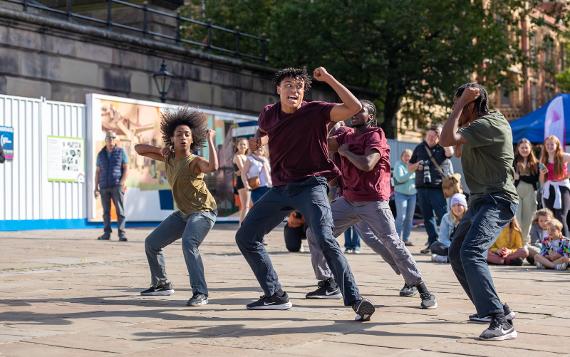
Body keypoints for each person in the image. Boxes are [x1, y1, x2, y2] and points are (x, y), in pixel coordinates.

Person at [235, 67, 376, 321]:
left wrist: (329, 78)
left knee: (324, 237)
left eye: (299, 86)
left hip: (311, 186)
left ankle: (355, 300)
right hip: (280, 189)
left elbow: (354, 107)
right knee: (246, 236)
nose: (294, 90)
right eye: (289, 85)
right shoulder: (268, 113)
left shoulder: (316, 111)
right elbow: (264, 130)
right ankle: (275, 294)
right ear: (278, 89)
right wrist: (259, 141)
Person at [306, 100, 437, 309]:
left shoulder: (376, 134)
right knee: (315, 232)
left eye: (361, 111)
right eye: (353, 110)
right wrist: (330, 120)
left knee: (391, 242)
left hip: (374, 201)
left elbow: (367, 164)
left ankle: (421, 287)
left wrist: (345, 152)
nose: (355, 113)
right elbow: (321, 141)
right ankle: (328, 283)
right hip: (348, 200)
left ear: (371, 117)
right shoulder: (344, 134)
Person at [440, 82, 519, 341]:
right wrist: (461, 107)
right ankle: (495, 308)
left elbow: (445, 140)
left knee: (471, 252)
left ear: (472, 105)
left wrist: (460, 103)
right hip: (480, 200)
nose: (456, 110)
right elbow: (456, 147)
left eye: (459, 104)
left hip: (497, 199)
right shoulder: (475, 128)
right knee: (456, 252)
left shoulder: (490, 124)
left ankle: (500, 320)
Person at [134, 108, 218, 306]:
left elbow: (213, 167)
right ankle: (162, 284)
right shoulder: (169, 157)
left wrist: (211, 140)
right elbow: (138, 148)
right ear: (171, 138)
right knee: (151, 243)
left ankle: (200, 293)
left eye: (187, 134)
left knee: (189, 243)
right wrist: (159, 151)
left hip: (204, 212)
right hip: (184, 214)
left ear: (192, 140)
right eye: (178, 134)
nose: (183, 137)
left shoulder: (195, 161)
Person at [409, 126, 453, 254]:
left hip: (438, 188)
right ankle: (433, 243)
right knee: (427, 217)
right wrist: (417, 165)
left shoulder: (442, 147)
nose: (430, 138)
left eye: (434, 136)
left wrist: (444, 138)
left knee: (443, 216)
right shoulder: (419, 148)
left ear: (438, 137)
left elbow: (450, 153)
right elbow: (409, 167)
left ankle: (447, 242)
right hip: (422, 188)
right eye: (428, 135)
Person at [94, 130, 129, 241]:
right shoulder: (100, 154)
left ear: (115, 140)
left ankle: (122, 233)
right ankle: (106, 233)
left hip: (116, 185)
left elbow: (126, 168)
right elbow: (98, 172)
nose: (111, 140)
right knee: (106, 212)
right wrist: (96, 187)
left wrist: (122, 182)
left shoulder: (121, 152)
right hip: (104, 186)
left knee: (120, 210)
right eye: (109, 138)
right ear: (105, 140)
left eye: (113, 138)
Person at [539, 135, 570, 236]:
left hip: (562, 188)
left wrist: (567, 175)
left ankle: (565, 245)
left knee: (561, 216)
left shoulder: (563, 156)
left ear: (557, 145)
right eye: (547, 144)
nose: (549, 146)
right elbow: (541, 180)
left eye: (552, 144)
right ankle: (552, 244)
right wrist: (542, 173)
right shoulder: (543, 160)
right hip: (549, 188)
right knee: (550, 218)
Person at [430, 193, 468, 263]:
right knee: (434, 246)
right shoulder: (446, 217)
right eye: (454, 205)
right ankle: (456, 258)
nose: (456, 208)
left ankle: (446, 259)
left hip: (465, 247)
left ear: (464, 206)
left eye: (459, 205)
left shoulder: (469, 218)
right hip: (450, 247)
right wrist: (453, 247)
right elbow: (443, 238)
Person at [513, 138, 539, 239]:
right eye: (522, 147)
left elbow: (535, 179)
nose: (524, 150)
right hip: (517, 192)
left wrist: (520, 177)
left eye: (526, 148)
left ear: (530, 148)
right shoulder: (514, 162)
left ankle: (525, 242)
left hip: (530, 192)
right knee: (517, 218)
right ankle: (517, 241)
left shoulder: (535, 163)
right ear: (518, 148)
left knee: (528, 219)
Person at [393, 148, 417, 246]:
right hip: (400, 194)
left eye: (409, 156)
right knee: (401, 217)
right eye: (405, 155)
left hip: (412, 194)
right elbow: (400, 178)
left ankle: (406, 239)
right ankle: (396, 239)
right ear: (402, 156)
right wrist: (411, 172)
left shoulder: (413, 165)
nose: (407, 158)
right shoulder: (398, 165)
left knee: (409, 218)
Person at [233, 138, 251, 224]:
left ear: (247, 146)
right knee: (245, 206)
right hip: (242, 182)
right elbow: (243, 169)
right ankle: (242, 226)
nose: (242, 146)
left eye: (244, 144)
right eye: (240, 144)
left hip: (249, 182)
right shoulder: (237, 156)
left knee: (249, 205)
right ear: (237, 146)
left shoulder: (247, 156)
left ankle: (245, 225)